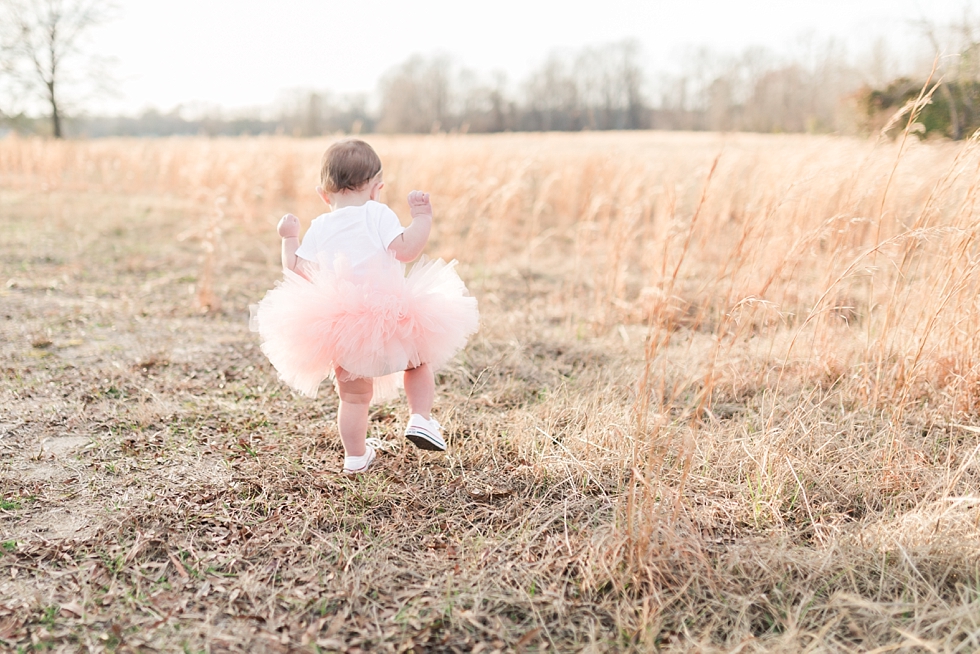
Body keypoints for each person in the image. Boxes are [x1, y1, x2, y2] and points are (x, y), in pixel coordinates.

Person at [250, 139, 479, 474]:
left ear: (324, 195)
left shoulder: (321, 225)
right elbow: (406, 250)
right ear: (376, 189)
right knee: (417, 364)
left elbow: (297, 270)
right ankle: (420, 418)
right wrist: (422, 217)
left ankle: (355, 457)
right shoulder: (378, 213)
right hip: (392, 316)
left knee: (353, 398)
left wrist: (289, 238)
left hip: (343, 326)